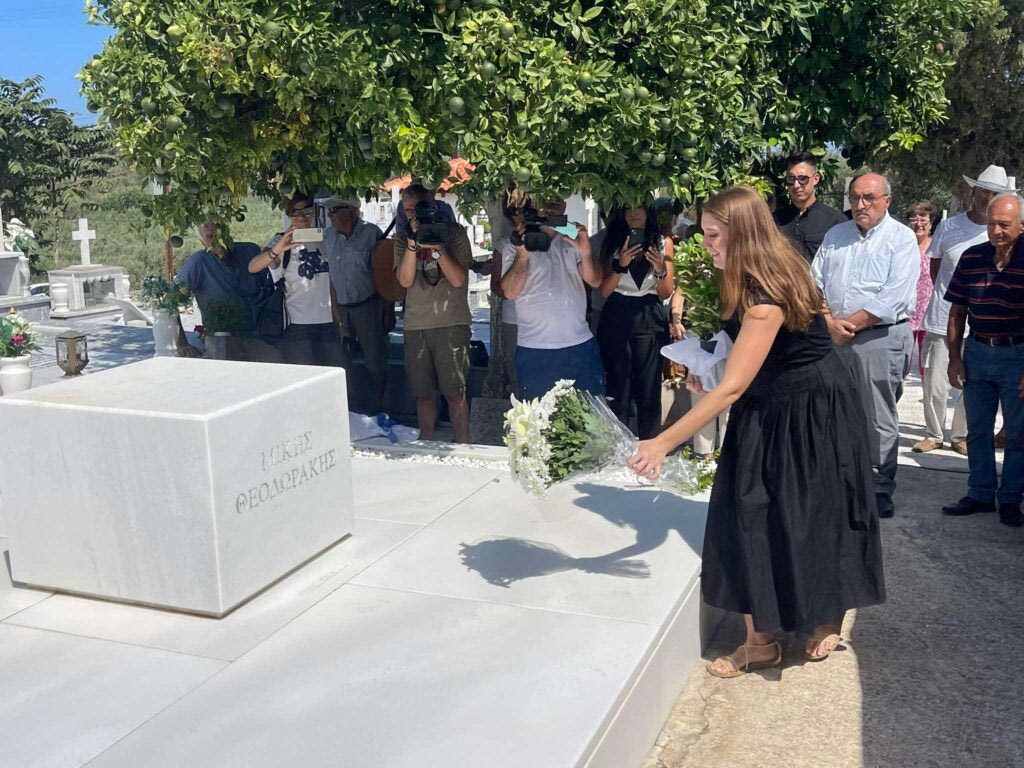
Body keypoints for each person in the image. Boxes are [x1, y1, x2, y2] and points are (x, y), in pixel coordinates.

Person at [628, 186, 884, 677]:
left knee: (815, 510)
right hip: (768, 401)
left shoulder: (767, 296)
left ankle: (825, 616)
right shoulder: (745, 274)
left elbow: (731, 388)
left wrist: (661, 442)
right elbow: (741, 360)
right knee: (747, 509)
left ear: (742, 234)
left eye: (713, 235)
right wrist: (713, 367)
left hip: (811, 408)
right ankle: (759, 641)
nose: (705, 244)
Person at [812, 173, 919, 518]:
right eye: (855, 197)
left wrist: (849, 326)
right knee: (833, 410)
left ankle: (877, 487)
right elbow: (814, 284)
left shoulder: (901, 238)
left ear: (887, 200)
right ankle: (839, 481)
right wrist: (830, 324)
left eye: (869, 198)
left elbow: (894, 296)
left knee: (876, 415)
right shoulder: (836, 235)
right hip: (833, 336)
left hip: (879, 337)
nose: (860, 204)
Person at [916, 165, 1014, 454]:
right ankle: (933, 433)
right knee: (935, 382)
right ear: (974, 192)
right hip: (941, 317)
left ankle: (960, 435)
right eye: (984, 191)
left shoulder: (1000, 231)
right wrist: (954, 296)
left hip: (981, 322)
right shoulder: (949, 226)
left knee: (969, 386)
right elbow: (936, 267)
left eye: (995, 194)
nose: (988, 198)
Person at [942, 192, 1024, 527]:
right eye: (992, 224)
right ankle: (980, 493)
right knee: (977, 429)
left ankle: (1011, 499)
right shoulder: (972, 257)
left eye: (1004, 225)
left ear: (1021, 226)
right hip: (976, 352)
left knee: (1018, 433)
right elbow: (957, 310)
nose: (996, 231)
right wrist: (954, 357)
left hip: (1016, 355)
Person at [500, 199, 604, 399]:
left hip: (580, 344)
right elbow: (510, 292)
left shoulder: (572, 235)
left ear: (564, 204)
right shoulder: (516, 243)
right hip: (535, 348)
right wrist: (522, 254)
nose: (552, 203)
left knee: (590, 412)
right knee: (538, 415)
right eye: (546, 198)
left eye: (558, 197)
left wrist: (586, 252)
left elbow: (596, 281)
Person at [394, 183, 473, 442]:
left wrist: (438, 249)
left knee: (455, 393)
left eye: (418, 208)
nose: (413, 215)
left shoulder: (455, 233)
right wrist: (412, 245)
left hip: (451, 322)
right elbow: (405, 281)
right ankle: (426, 442)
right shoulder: (402, 238)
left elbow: (458, 279)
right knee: (424, 394)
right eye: (407, 210)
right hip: (416, 325)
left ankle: (462, 444)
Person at [597, 205, 674, 438]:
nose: (634, 213)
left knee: (649, 385)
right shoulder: (612, 241)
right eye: (628, 208)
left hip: (650, 311)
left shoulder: (663, 242)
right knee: (617, 382)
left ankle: (649, 443)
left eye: (639, 207)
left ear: (649, 211)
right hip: (618, 309)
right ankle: (617, 443)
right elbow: (604, 291)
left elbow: (665, 292)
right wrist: (620, 265)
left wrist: (660, 269)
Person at [247, 192, 344, 366]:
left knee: (334, 375)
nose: (302, 217)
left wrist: (339, 321)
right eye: (296, 212)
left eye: (307, 211)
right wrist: (278, 248)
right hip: (296, 325)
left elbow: (329, 283)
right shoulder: (279, 241)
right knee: (305, 377)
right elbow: (253, 267)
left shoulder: (323, 238)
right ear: (289, 214)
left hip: (327, 323)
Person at [322, 195, 388, 412]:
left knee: (375, 360)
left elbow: (384, 273)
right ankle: (349, 409)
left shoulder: (372, 233)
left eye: (334, 211)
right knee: (343, 360)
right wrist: (335, 314)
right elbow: (331, 277)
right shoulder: (328, 237)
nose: (330, 216)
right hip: (342, 308)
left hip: (368, 306)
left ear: (349, 211)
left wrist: (387, 309)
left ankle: (377, 407)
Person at [173, 221, 271, 359]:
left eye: (220, 234)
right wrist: (181, 342)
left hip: (260, 337)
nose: (217, 240)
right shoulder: (197, 263)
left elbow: (272, 285)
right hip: (222, 342)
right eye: (210, 237)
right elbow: (170, 301)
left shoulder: (250, 251)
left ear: (228, 232)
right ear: (202, 242)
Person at [773, 152, 847, 263]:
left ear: (816, 179)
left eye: (802, 179)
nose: (796, 185)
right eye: (791, 179)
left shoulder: (836, 221)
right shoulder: (774, 220)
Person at [487, 196, 524, 398]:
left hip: (544, 317)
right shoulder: (503, 244)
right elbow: (495, 285)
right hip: (514, 319)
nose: (521, 216)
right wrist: (511, 289)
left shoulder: (550, 239)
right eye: (515, 212)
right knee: (516, 373)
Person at [907, 202, 936, 376]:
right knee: (900, 363)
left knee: (926, 365)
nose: (918, 223)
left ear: (931, 223)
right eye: (914, 219)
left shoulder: (937, 247)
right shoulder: (903, 246)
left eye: (923, 220)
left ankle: (928, 392)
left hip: (929, 313)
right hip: (905, 313)